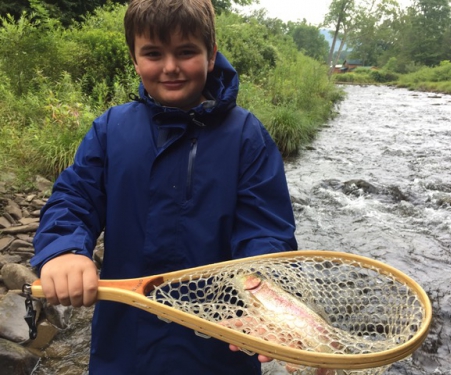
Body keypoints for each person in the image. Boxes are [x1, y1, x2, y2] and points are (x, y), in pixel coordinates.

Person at [31, 0, 297, 373]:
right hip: (124, 349)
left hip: (221, 349)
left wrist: (265, 290)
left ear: (210, 55)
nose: (170, 67)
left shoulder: (246, 136)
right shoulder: (110, 130)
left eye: (186, 52)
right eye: (153, 53)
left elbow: (265, 228)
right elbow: (75, 197)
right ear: (135, 60)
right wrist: (65, 249)